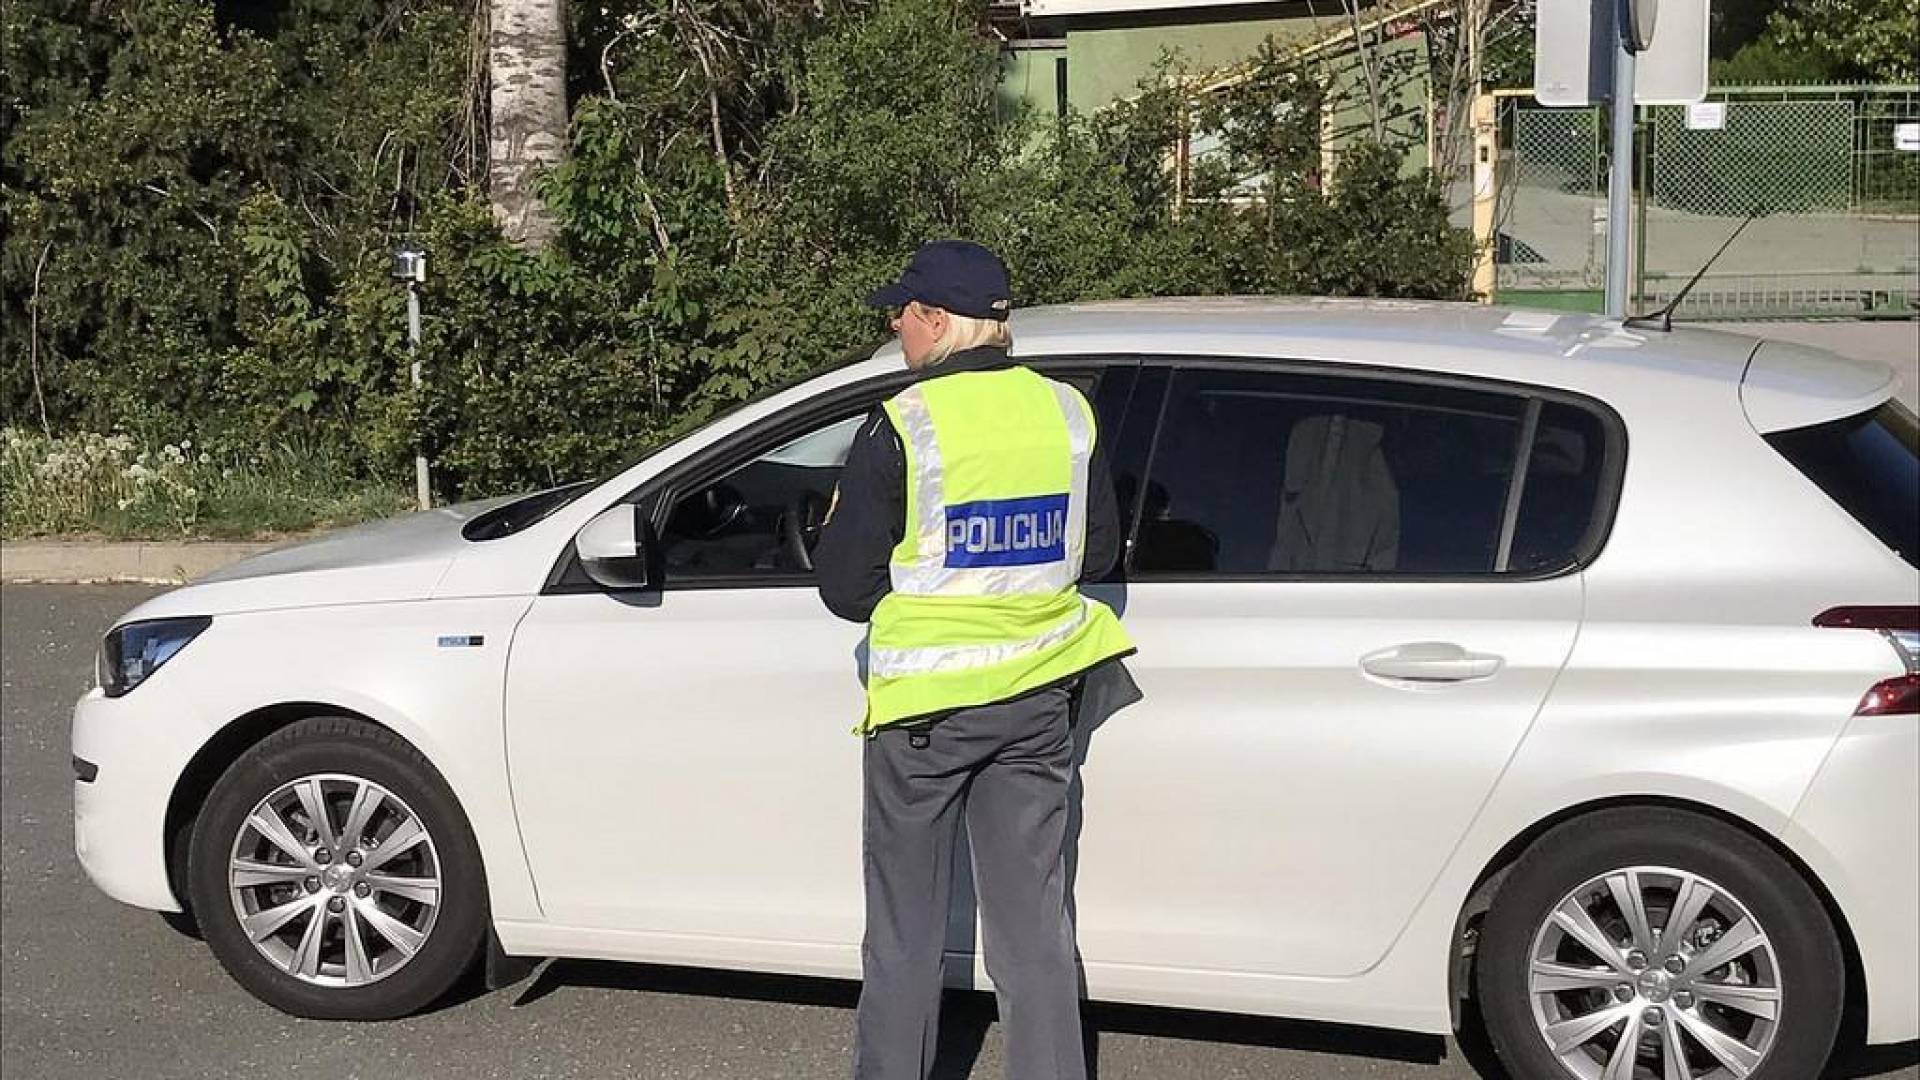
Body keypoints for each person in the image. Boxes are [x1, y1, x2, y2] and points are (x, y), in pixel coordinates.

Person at [813, 240, 1135, 1080]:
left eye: (902, 313)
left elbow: (845, 588)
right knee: (1034, 929)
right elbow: (1099, 553)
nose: (895, 327)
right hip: (1037, 701)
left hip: (925, 713)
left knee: (906, 933)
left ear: (935, 319)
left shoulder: (905, 422)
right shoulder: (1067, 412)